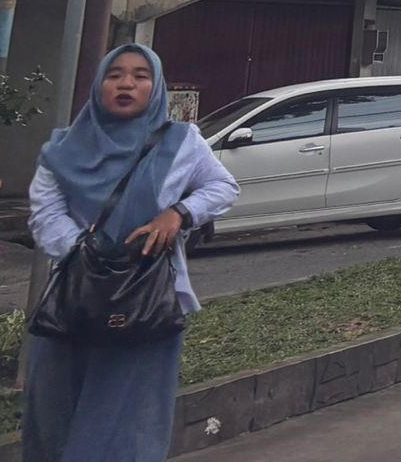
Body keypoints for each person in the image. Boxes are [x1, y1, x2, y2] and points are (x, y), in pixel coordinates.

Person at [25, 44, 240, 462]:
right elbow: (44, 213)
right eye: (115, 74)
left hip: (147, 302)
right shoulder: (62, 149)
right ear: (98, 85)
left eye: (141, 75)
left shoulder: (181, 142)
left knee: (130, 417)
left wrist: (179, 213)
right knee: (55, 412)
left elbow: (223, 187)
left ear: (155, 87)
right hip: (75, 298)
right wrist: (87, 252)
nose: (127, 83)